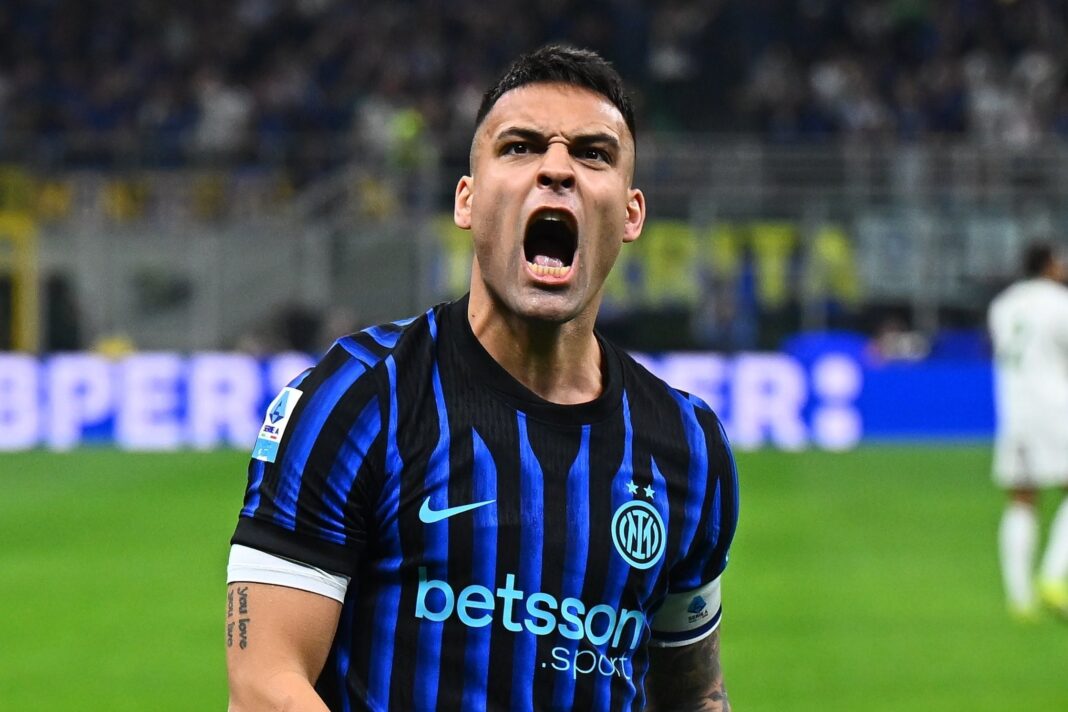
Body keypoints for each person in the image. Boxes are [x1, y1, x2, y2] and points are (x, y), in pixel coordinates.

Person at [225, 44, 740, 711]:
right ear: (466, 200)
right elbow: (264, 687)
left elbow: (694, 696)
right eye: (521, 147)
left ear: (632, 214)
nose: (557, 169)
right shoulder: (360, 400)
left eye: (593, 154)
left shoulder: (688, 446)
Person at [988, 241, 1068, 621]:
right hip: (1056, 408)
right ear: (1049, 265)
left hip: (1015, 409)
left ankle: (1020, 599)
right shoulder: (1059, 303)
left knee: (1021, 497)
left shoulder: (1003, 305)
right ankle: (1053, 577)